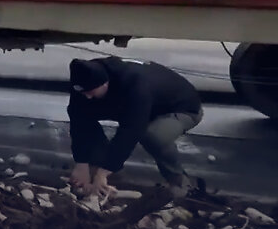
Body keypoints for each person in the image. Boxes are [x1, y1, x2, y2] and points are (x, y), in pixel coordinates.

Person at [67, 56, 204, 197]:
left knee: (153, 135)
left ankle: (180, 182)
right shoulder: (84, 79)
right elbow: (77, 117)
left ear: (105, 83)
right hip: (136, 104)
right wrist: (81, 162)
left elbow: (130, 130)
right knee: (84, 113)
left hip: (181, 109)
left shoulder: (135, 83)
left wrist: (106, 169)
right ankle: (97, 170)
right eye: (84, 93)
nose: (88, 97)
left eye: (91, 92)